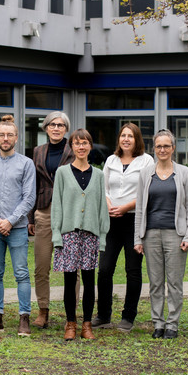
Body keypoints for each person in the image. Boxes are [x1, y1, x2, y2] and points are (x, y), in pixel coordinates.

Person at [134, 129, 188, 340]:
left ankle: (172, 324)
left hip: (175, 234)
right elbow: (140, 209)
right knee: (155, 282)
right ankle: (158, 323)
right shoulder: (145, 173)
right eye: (159, 146)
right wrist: (137, 238)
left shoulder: (184, 173)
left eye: (166, 146)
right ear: (154, 148)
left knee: (175, 282)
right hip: (150, 234)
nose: (162, 150)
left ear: (173, 148)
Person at [0, 115, 36, 337]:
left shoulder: (26, 164)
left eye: (10, 134)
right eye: (2, 134)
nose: (5, 138)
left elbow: (29, 198)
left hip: (18, 227)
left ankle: (24, 318)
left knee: (21, 272)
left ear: (16, 137)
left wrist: (10, 220)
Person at [93, 123, 154, 332]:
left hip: (133, 219)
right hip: (111, 220)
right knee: (104, 269)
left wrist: (126, 206)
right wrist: (109, 204)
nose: (126, 139)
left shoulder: (147, 161)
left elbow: (147, 190)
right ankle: (103, 315)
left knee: (133, 270)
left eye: (130, 136)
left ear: (137, 139)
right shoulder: (111, 160)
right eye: (123, 135)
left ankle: (128, 317)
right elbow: (105, 188)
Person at [50, 129, 110, 341]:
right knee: (69, 281)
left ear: (90, 146)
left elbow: (103, 207)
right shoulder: (63, 173)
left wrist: (102, 236)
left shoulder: (99, 175)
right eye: (77, 143)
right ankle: (70, 323)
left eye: (85, 143)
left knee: (88, 280)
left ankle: (86, 324)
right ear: (71, 147)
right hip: (69, 235)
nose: (81, 147)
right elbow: (56, 205)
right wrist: (56, 235)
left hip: (91, 235)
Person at [27, 111, 75, 329]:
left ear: (66, 129)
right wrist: (31, 216)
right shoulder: (37, 151)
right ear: (46, 128)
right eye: (52, 125)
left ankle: (70, 316)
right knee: (41, 266)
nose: (56, 128)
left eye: (61, 125)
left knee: (70, 267)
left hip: (69, 214)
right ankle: (43, 310)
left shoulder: (75, 150)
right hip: (44, 212)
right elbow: (33, 185)